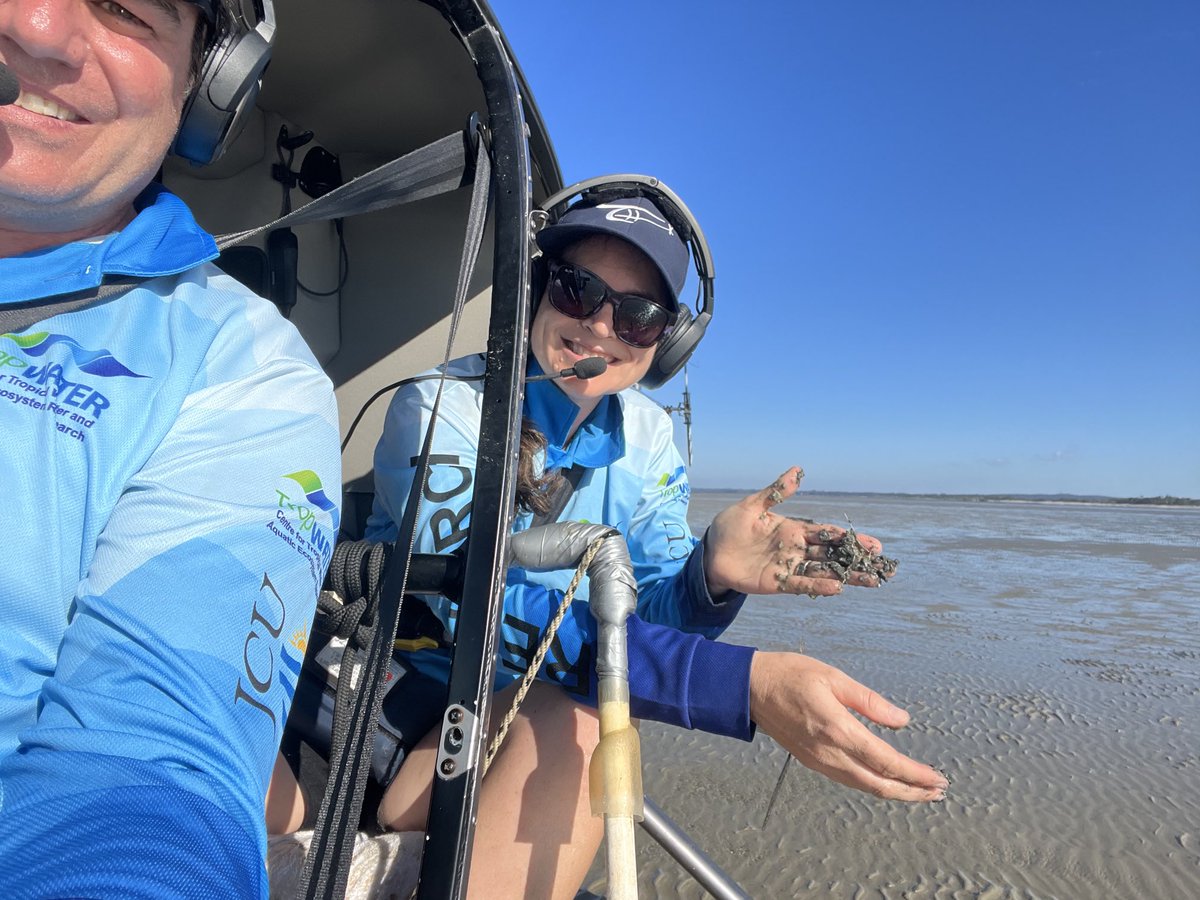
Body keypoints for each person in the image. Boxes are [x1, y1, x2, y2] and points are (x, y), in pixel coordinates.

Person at [268, 187, 946, 898]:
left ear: (665, 341)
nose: (599, 326)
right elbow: (497, 615)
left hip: (500, 724)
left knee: (577, 722)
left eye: (638, 314)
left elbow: (640, 617)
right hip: (392, 696)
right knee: (582, 723)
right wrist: (743, 686)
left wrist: (706, 579)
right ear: (536, 286)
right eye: (577, 287)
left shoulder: (649, 441)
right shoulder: (439, 408)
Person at [0, 2, 340, 896]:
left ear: (209, 82)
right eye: (576, 288)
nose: (37, 25)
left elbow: (148, 794)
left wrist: (700, 590)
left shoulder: (244, 371)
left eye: (126, 5)